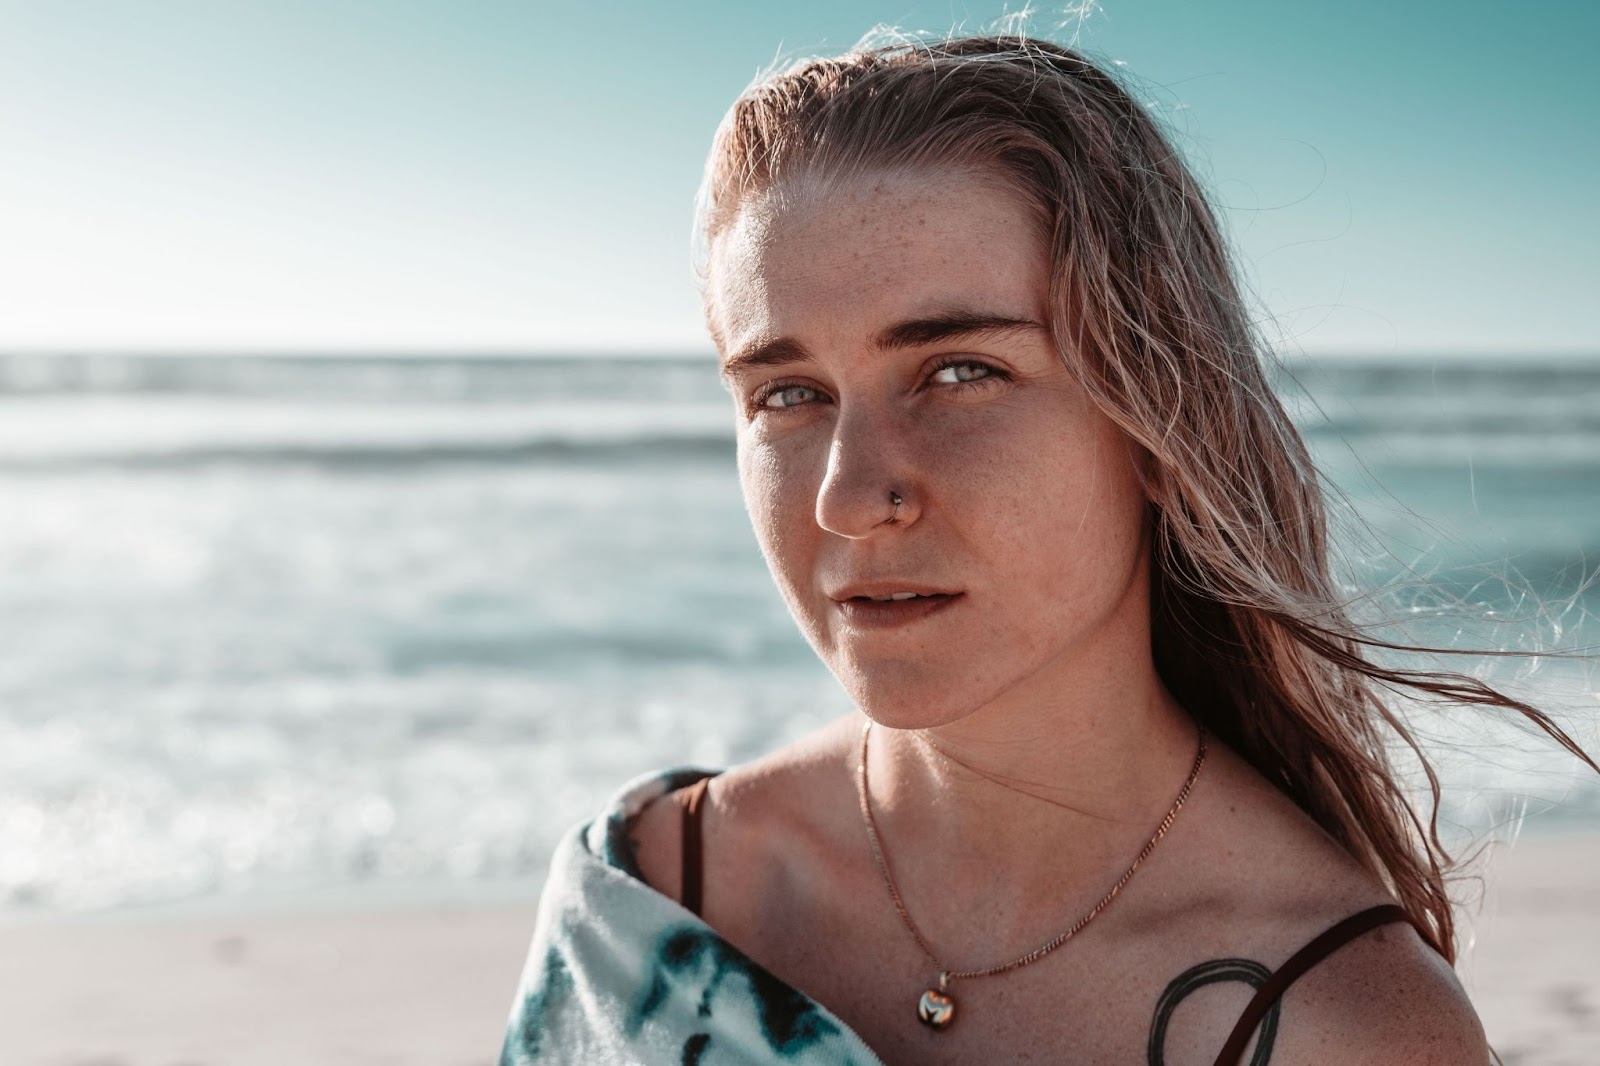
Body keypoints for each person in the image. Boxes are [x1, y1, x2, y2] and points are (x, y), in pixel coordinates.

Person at [499, 34, 1594, 1066]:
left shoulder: (1340, 1024)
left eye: (959, 371)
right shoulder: (653, 893)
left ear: (1163, 424)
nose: (846, 494)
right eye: (786, 393)